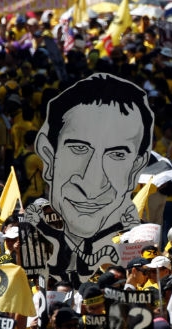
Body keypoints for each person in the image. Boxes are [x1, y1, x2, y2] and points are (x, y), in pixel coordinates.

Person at [28, 73, 154, 283]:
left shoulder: (139, 248)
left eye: (117, 155)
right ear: (48, 156)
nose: (93, 184)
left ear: (135, 170)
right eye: (79, 148)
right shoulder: (30, 236)